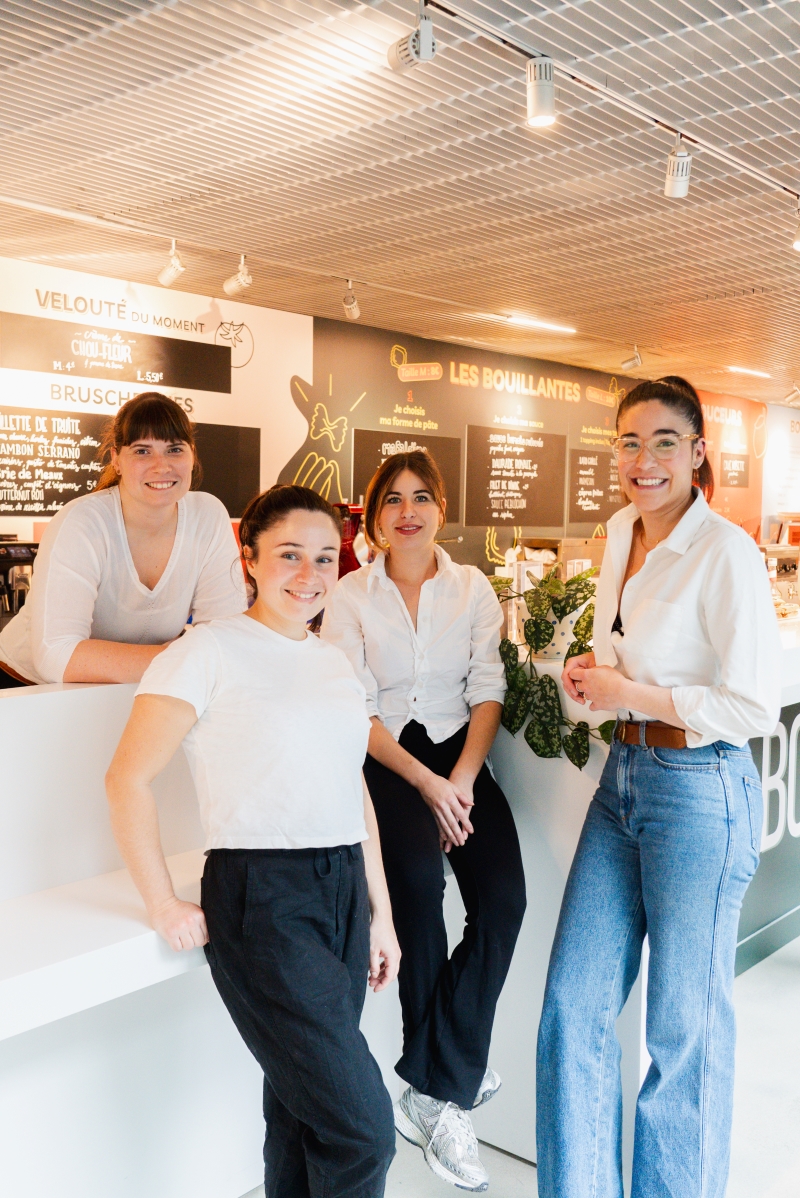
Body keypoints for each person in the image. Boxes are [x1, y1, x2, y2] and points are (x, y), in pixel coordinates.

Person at [105, 483, 400, 1198]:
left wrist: (380, 914)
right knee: (363, 1129)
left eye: (325, 557)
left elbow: (352, 790)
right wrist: (163, 902)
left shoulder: (333, 661)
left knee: (303, 1113)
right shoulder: (205, 651)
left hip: (340, 892)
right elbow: (126, 779)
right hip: (261, 896)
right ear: (249, 559)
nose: (309, 575)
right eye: (290, 555)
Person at [536, 377, 781, 1197]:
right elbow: (633, 661)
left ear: (698, 452)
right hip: (625, 780)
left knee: (684, 1034)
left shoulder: (726, 552)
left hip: (700, 790)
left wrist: (626, 696)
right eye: (630, 443)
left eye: (665, 442)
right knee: (573, 1010)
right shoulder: (618, 534)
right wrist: (595, 678)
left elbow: (749, 705)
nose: (645, 461)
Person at [322, 451, 526, 1193]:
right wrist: (426, 785)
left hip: (460, 756)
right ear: (373, 516)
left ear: (441, 507)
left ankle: (436, 1068)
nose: (406, 512)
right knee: (413, 890)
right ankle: (446, 1100)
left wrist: (462, 781)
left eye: (421, 498)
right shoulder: (349, 595)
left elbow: (487, 688)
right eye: (391, 501)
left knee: (504, 903)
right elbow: (357, 706)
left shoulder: (473, 587)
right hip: (388, 762)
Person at [0, 392, 245, 687]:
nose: (161, 466)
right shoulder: (83, 522)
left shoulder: (208, 515)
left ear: (192, 455)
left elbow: (225, 637)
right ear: (116, 458)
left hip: (135, 686)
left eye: (175, 450)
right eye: (142, 451)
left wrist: (192, 660)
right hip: (27, 686)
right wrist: (184, 659)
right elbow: (57, 656)